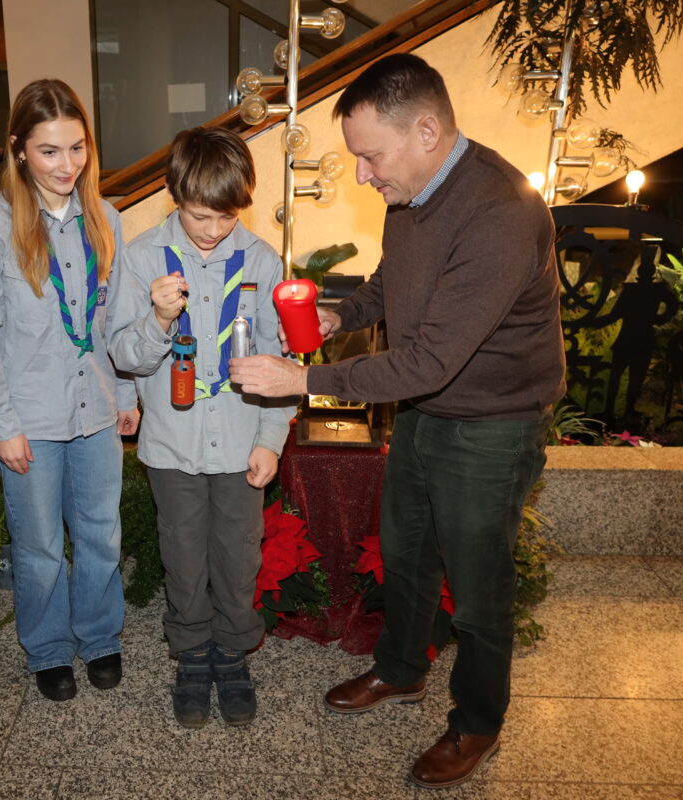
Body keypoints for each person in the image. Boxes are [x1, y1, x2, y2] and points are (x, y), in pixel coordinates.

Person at [229, 53, 565, 788]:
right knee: (407, 553)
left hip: (491, 425)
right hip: (427, 414)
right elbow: (391, 285)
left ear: (426, 130)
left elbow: (427, 361)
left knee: (478, 590)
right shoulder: (411, 189)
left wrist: (303, 378)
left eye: (368, 156)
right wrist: (340, 313)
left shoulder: (501, 214)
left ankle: (476, 722)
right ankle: (401, 670)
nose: (362, 175)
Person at [0, 78, 139, 702]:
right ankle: (49, 647)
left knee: (99, 532)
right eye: (50, 151)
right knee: (37, 545)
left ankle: (99, 637)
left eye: (77, 147)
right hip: (29, 417)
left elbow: (114, 321)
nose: (67, 165)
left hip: (96, 406)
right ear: (18, 150)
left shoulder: (106, 217)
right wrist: (1, 423)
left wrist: (130, 398)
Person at [108, 127, 294, 728]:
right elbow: (122, 355)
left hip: (243, 443)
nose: (214, 230)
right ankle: (191, 653)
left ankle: (233, 652)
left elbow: (281, 362)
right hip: (172, 444)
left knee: (239, 555)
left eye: (226, 216)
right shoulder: (140, 259)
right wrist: (161, 320)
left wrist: (271, 440)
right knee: (183, 553)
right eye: (199, 216)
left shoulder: (261, 261)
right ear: (172, 195)